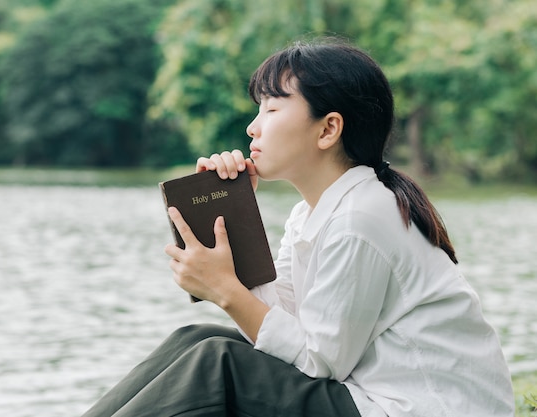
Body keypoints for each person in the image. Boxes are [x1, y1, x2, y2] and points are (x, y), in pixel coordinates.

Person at [80, 37, 514, 417]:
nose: (253, 127)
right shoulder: (313, 213)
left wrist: (226, 291)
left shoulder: (361, 219)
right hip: (371, 397)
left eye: (271, 108)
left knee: (217, 363)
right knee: (195, 339)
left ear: (328, 129)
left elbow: (318, 361)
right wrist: (235, 212)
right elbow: (284, 324)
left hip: (419, 409)